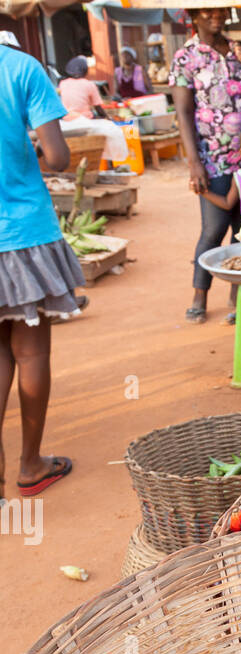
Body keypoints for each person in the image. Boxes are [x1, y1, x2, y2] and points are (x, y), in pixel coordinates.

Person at [0, 42, 84, 497]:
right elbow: (58, 158)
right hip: (22, 232)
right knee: (30, 353)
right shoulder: (21, 68)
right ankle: (30, 465)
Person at [171, 5, 241, 323]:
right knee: (213, 228)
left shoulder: (240, 49)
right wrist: (194, 163)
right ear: (194, 15)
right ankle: (199, 295)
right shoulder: (185, 57)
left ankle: (237, 297)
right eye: (208, 11)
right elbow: (183, 113)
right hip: (212, 158)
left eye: (221, 10)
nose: (216, 15)